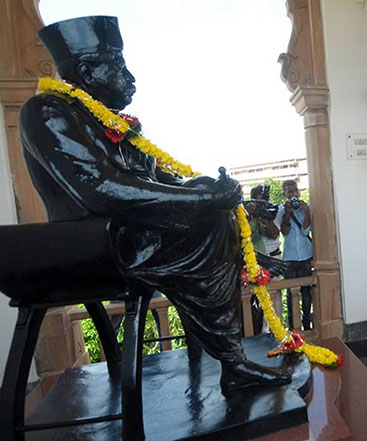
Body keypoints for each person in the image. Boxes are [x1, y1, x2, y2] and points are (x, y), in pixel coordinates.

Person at [20, 16, 290, 394]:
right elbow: (101, 189)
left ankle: (232, 356)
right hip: (92, 247)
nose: (130, 78)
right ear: (85, 70)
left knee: (205, 191)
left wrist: (217, 194)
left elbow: (164, 183)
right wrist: (205, 199)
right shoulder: (47, 112)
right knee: (209, 214)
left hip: (135, 236)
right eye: (118, 66)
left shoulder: (118, 125)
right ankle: (233, 362)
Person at [246, 185, 282, 334]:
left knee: (276, 296)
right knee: (255, 298)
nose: (262, 205)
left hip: (272, 260)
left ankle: (278, 330)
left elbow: (274, 234)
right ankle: (260, 332)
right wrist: (249, 215)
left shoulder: (272, 212)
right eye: (258, 203)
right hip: (253, 262)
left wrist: (264, 219)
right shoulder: (246, 216)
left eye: (264, 202)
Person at [279, 179, 313, 330]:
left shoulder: (305, 208)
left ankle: (307, 322)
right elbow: (284, 232)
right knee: (290, 291)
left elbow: (306, 231)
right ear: (284, 194)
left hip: (306, 255)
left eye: (295, 190)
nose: (293, 194)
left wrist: (306, 212)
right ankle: (293, 326)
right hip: (290, 257)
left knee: (306, 291)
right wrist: (287, 213)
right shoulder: (281, 210)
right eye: (289, 191)